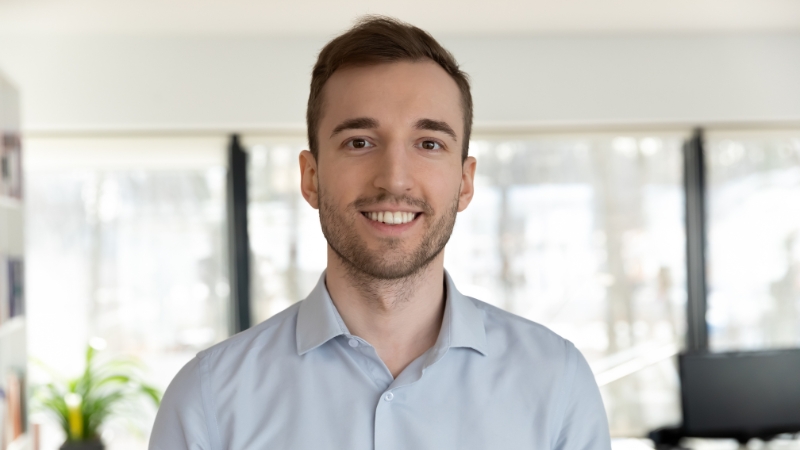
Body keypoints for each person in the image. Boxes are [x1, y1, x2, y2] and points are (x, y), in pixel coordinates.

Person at [150, 16, 611, 450]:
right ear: (310, 177)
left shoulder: (557, 383)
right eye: (359, 143)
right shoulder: (207, 399)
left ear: (465, 181)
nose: (393, 179)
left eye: (429, 144)